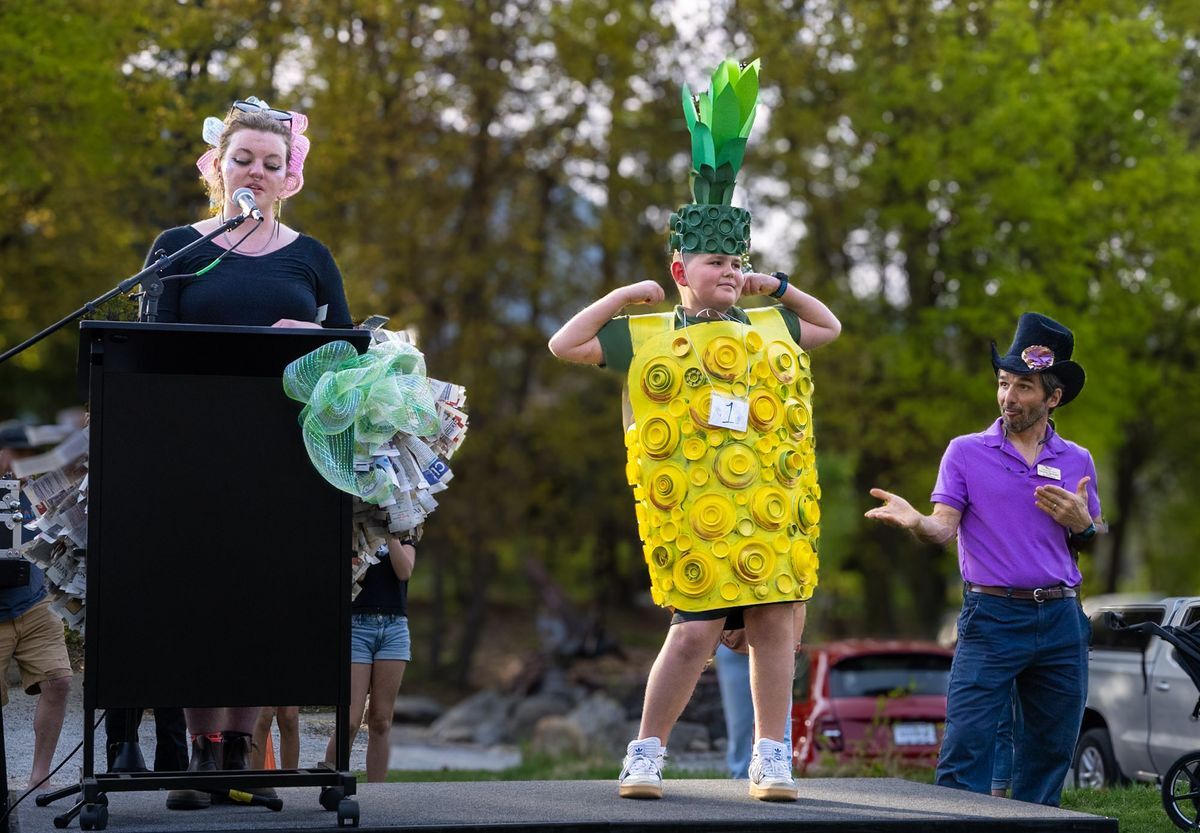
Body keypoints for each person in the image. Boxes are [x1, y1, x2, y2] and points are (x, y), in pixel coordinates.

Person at [549, 58, 840, 802]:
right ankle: (646, 751)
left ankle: (771, 756)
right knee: (692, 633)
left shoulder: (771, 321)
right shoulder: (649, 332)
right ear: (682, 266)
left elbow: (829, 326)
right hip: (698, 515)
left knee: (779, 623)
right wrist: (620, 295)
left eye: (739, 260)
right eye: (717, 261)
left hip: (768, 508)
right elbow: (563, 345)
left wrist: (776, 284)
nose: (731, 272)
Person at [146, 95, 352, 811]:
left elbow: (352, 368)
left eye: (273, 162)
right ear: (218, 166)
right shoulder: (177, 247)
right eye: (244, 159)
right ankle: (200, 762)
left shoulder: (312, 257)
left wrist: (314, 342)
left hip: (284, 464)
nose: (257, 172)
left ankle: (244, 757)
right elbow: (147, 353)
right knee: (197, 602)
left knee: (262, 600)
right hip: (192, 460)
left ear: (289, 174)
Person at [865, 312, 1101, 807]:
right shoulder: (966, 452)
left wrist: (1084, 524)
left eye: (1024, 387)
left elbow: (1089, 540)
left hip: (1062, 619)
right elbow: (941, 528)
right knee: (966, 750)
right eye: (1003, 383)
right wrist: (916, 522)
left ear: (1053, 397)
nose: (1008, 397)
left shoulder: (1078, 459)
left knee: (1049, 752)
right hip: (991, 617)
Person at [0, 426, 73, 789]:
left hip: (34, 602)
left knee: (58, 681)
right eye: (13, 454)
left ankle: (39, 777)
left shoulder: (36, 488)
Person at [324, 534, 415, 782]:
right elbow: (355, 576)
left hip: (394, 627)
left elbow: (404, 571)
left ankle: (377, 793)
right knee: (350, 720)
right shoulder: (353, 531)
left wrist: (390, 534)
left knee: (381, 721)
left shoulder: (405, 533)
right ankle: (330, 783)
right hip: (357, 626)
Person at [714, 604, 803, 779]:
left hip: (775, 639)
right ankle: (742, 776)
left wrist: (793, 642)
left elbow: (799, 599)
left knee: (776, 721)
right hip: (734, 640)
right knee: (740, 726)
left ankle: (777, 773)